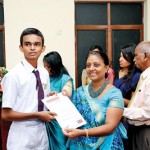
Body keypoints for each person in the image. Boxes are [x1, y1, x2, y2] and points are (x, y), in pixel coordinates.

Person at [1, 28, 56, 150]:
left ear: (43, 48)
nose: (32, 48)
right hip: (21, 135)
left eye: (37, 44)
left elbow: (38, 99)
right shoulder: (13, 76)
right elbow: (5, 114)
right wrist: (37, 115)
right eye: (27, 44)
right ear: (21, 48)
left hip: (42, 133)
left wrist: (51, 97)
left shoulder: (44, 73)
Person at [63, 51, 127, 150]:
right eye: (88, 65)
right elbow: (71, 117)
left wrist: (83, 132)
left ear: (106, 67)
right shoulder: (80, 92)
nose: (91, 68)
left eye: (96, 65)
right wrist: (57, 99)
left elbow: (110, 127)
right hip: (80, 146)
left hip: (106, 145)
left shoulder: (114, 94)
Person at [43, 51, 74, 150]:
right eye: (44, 66)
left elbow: (67, 93)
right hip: (44, 119)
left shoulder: (65, 79)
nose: (45, 69)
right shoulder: (44, 79)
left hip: (59, 121)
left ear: (55, 66)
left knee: (60, 146)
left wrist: (60, 95)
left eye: (48, 66)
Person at [114, 43, 141, 150]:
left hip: (126, 117)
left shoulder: (136, 76)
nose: (120, 59)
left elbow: (133, 102)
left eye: (123, 56)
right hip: (116, 114)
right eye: (120, 56)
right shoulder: (119, 72)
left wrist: (115, 97)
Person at [123, 41, 150, 150]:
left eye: (135, 56)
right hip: (136, 129)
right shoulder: (145, 76)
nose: (133, 60)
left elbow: (147, 112)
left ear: (145, 55)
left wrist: (122, 111)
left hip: (144, 131)